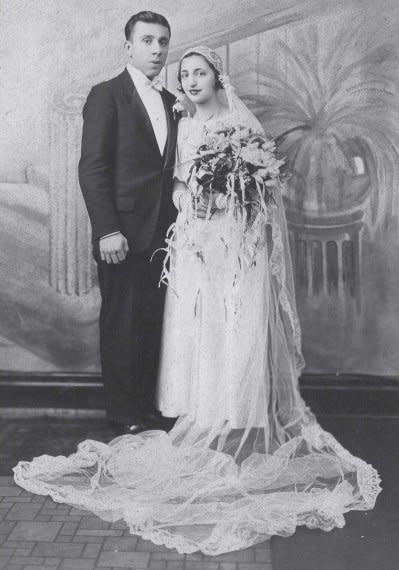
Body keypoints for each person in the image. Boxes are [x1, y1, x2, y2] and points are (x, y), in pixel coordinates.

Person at [13, 46, 381, 556]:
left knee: (233, 320)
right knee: (190, 322)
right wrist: (193, 199)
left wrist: (233, 192)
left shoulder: (237, 121)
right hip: (190, 240)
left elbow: (262, 186)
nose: (189, 79)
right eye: (183, 73)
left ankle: (233, 408)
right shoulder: (180, 120)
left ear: (215, 76)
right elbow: (177, 182)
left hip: (233, 240)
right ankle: (189, 406)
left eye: (198, 72)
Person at [78, 11, 178, 434]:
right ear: (128, 47)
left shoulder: (172, 102)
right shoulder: (107, 94)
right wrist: (107, 230)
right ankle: (123, 414)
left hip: (164, 234)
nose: (156, 50)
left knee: (153, 322)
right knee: (121, 322)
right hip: (121, 233)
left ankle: (146, 407)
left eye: (162, 42)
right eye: (147, 41)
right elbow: (93, 168)